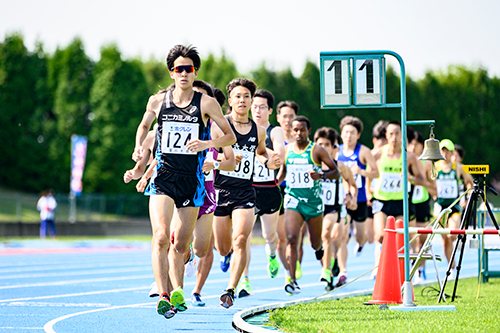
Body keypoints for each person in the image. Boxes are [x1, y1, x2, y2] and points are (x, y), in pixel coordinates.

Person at [131, 45, 236, 319]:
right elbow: (144, 126)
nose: (184, 74)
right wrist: (139, 148)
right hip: (164, 178)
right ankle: (164, 294)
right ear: (171, 72)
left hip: (192, 181)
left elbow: (230, 137)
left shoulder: (206, 103)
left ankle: (179, 288)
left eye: (189, 69)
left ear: (195, 72)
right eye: (179, 69)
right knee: (161, 236)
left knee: (181, 246)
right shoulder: (157, 101)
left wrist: (207, 143)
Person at [213, 78, 280, 309]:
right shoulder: (219, 127)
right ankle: (226, 255)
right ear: (230, 100)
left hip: (244, 193)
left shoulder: (259, 131)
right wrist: (226, 159)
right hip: (220, 191)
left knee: (241, 240)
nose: (242, 100)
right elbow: (208, 156)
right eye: (238, 96)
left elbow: (261, 153)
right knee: (223, 247)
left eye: (246, 97)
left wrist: (269, 161)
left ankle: (230, 289)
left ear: (251, 102)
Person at [277, 116, 340, 294]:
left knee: (314, 243)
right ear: (291, 131)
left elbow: (335, 172)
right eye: (295, 130)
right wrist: (273, 184)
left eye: (302, 130)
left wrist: (321, 176)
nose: (298, 133)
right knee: (292, 238)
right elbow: (283, 172)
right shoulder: (287, 150)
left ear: (308, 131)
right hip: (293, 200)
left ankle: (321, 251)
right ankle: (292, 280)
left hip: (313, 203)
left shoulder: (317, 150)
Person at [237, 89, 286, 298]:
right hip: (248, 189)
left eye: (262, 107)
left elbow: (280, 155)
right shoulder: (243, 128)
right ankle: (244, 280)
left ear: (270, 110)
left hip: (269, 189)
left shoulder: (275, 131)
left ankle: (272, 253)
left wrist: (267, 155)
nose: (257, 110)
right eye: (254, 106)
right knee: (243, 236)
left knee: (269, 235)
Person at [371, 121, 425, 276]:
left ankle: (399, 270)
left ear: (402, 136)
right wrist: (369, 189)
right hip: (381, 199)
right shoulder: (378, 153)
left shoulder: (409, 157)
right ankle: (381, 265)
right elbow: (367, 170)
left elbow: (423, 180)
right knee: (380, 235)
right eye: (391, 133)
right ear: (386, 135)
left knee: (400, 239)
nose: (394, 137)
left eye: (397, 133)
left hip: (401, 201)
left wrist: (411, 178)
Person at [314, 127, 357, 290]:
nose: (323, 148)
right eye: (320, 144)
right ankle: (330, 265)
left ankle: (327, 270)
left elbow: (353, 185)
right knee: (318, 243)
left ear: (334, 148)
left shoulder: (340, 166)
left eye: (327, 144)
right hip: (315, 208)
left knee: (330, 235)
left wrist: (351, 197)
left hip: (335, 207)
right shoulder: (313, 166)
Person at [337, 116, 379, 283]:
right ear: (341, 134)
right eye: (346, 132)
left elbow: (376, 173)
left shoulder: (363, 151)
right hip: (343, 199)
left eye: (352, 133)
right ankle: (343, 270)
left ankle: (360, 244)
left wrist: (361, 172)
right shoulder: (336, 152)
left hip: (360, 199)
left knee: (361, 236)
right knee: (342, 236)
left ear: (358, 135)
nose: (349, 136)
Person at [275, 101, 306, 281]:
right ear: (278, 118)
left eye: (291, 117)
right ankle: (288, 270)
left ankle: (295, 269)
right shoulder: (271, 138)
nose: (288, 120)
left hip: (298, 192)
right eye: (284, 116)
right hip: (279, 190)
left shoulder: (303, 142)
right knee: (281, 237)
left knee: (296, 235)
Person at [434, 139, 473, 278]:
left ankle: (453, 262)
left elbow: (470, 182)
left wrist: (467, 198)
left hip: (455, 206)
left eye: (447, 150)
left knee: (452, 234)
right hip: (440, 206)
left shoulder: (458, 167)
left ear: (451, 152)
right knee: (445, 239)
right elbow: (427, 181)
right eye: (442, 150)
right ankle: (451, 266)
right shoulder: (435, 166)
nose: (444, 153)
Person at [407, 130, 437, 283]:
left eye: (416, 145)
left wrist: (416, 180)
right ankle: (411, 261)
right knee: (410, 236)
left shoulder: (425, 163)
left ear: (421, 146)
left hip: (423, 202)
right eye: (410, 145)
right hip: (409, 201)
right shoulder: (406, 160)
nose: (412, 148)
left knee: (423, 238)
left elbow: (433, 185)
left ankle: (421, 269)